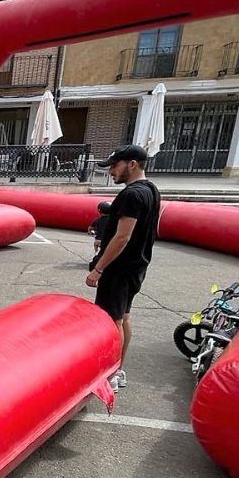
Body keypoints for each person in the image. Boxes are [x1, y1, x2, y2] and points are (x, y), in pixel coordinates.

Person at [85, 145, 161, 391]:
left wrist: (99, 268)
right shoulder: (151, 190)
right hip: (137, 266)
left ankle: (111, 374)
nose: (111, 171)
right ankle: (119, 368)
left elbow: (121, 237)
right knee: (124, 317)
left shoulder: (131, 195)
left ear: (132, 164)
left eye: (115, 166)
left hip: (120, 268)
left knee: (111, 320)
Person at [87, 200, 111, 268]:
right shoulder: (113, 221)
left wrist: (90, 232)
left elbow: (90, 228)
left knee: (96, 244)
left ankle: (96, 253)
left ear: (99, 211)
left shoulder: (97, 220)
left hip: (99, 240)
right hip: (109, 240)